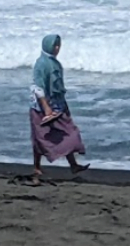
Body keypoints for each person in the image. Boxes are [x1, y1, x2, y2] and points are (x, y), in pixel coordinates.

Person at [29, 34, 89, 183]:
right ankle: (37, 167)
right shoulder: (41, 64)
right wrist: (46, 108)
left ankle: (73, 165)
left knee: (69, 132)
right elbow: (37, 87)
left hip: (58, 106)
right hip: (41, 108)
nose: (57, 48)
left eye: (58, 45)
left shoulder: (54, 63)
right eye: (55, 45)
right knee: (40, 138)